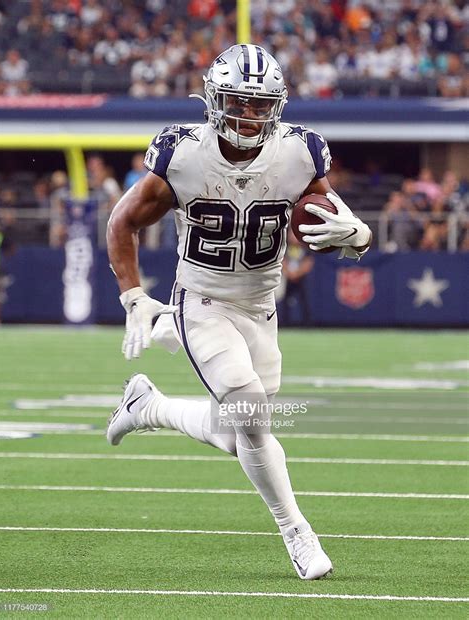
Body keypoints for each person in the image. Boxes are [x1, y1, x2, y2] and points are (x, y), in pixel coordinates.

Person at [106, 44, 372, 580]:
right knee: (250, 413)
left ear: (278, 105)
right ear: (212, 99)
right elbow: (122, 223)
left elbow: (328, 218)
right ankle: (296, 531)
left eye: (260, 105)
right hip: (201, 299)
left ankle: (148, 406)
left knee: (237, 432)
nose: (248, 116)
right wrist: (133, 295)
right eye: (237, 102)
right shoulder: (182, 154)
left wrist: (359, 236)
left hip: (260, 303)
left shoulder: (301, 153)